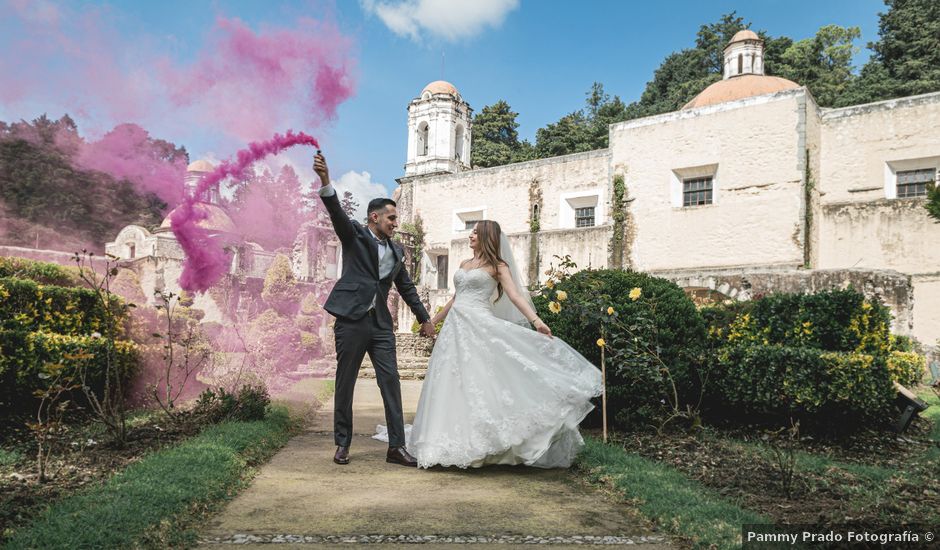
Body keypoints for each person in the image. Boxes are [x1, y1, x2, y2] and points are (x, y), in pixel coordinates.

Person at [376, 220, 603, 469]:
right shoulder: (464, 264)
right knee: (451, 381)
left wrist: (536, 321)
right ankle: (449, 438)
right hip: (454, 330)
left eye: (475, 232)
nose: (470, 235)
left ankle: (484, 442)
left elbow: (515, 295)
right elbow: (455, 298)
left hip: (479, 326)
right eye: (471, 231)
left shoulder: (498, 266)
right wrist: (432, 321)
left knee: (480, 381)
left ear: (486, 237)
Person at [313, 152, 436, 467]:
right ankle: (342, 444)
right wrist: (326, 182)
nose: (396, 223)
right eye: (391, 218)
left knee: (391, 381)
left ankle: (397, 447)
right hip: (351, 320)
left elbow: (405, 286)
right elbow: (337, 213)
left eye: (396, 218)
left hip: (381, 324)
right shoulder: (355, 236)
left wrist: (424, 319)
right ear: (374, 218)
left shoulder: (396, 251)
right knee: (346, 381)